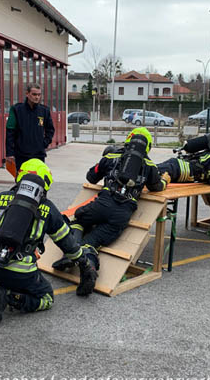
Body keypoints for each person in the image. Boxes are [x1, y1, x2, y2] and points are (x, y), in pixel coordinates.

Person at [0, 159, 95, 325]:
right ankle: (8, 296)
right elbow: (69, 245)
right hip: (20, 270)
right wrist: (84, 264)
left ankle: (4, 286)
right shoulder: (49, 210)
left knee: (7, 271)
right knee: (47, 298)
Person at [53, 127, 168, 296]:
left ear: (128, 140)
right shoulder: (149, 165)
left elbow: (91, 176)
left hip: (102, 204)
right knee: (91, 243)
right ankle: (90, 268)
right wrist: (165, 179)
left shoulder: (112, 156)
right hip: (123, 215)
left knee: (78, 219)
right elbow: (157, 187)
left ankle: (71, 253)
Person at [5, 83, 55, 172]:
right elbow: (10, 132)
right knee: (22, 181)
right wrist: (9, 153)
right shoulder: (16, 109)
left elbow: (50, 130)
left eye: (39, 95)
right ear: (27, 94)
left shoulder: (44, 110)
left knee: (38, 181)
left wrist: (44, 143)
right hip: (21, 155)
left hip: (38, 155)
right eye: (34, 94)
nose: (37, 97)